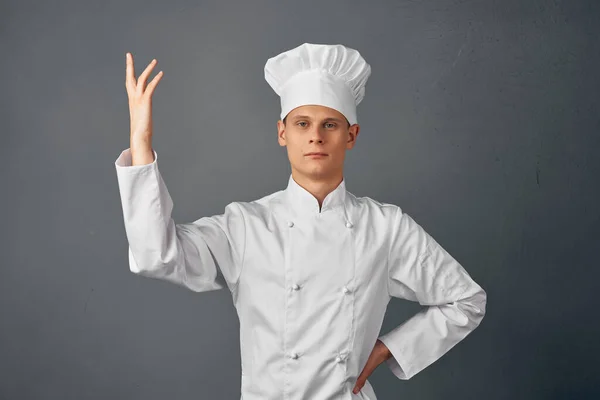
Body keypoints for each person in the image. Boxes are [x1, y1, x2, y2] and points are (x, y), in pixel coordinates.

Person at [115, 42, 487, 400]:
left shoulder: (385, 228)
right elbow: (156, 256)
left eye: (330, 125)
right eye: (302, 123)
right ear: (282, 133)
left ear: (351, 136)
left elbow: (466, 300)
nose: (315, 137)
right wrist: (141, 141)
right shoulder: (245, 225)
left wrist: (390, 347)